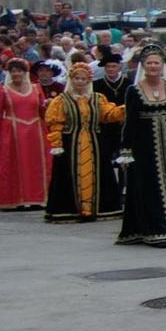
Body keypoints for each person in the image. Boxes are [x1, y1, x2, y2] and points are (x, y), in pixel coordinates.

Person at [118, 44, 166, 247]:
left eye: (156, 62)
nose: (153, 66)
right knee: (149, 185)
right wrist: (126, 150)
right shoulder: (134, 91)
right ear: (143, 66)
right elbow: (130, 121)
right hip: (143, 144)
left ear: (162, 65)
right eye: (149, 63)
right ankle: (156, 230)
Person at [44, 56, 125, 223]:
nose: (80, 82)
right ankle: (72, 210)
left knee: (100, 174)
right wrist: (57, 143)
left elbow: (108, 115)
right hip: (70, 143)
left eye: (83, 79)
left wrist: (125, 108)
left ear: (89, 80)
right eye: (76, 78)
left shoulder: (97, 98)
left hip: (94, 142)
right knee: (68, 175)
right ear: (71, 79)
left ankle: (99, 208)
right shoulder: (61, 100)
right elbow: (55, 123)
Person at [0, 58, 50, 211]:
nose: (16, 74)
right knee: (15, 165)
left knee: (35, 165)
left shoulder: (37, 88)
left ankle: (36, 198)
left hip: (35, 132)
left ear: (25, 72)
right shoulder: (2, 90)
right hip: (12, 132)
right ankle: (15, 198)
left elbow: (43, 111)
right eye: (13, 71)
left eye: (19, 71)